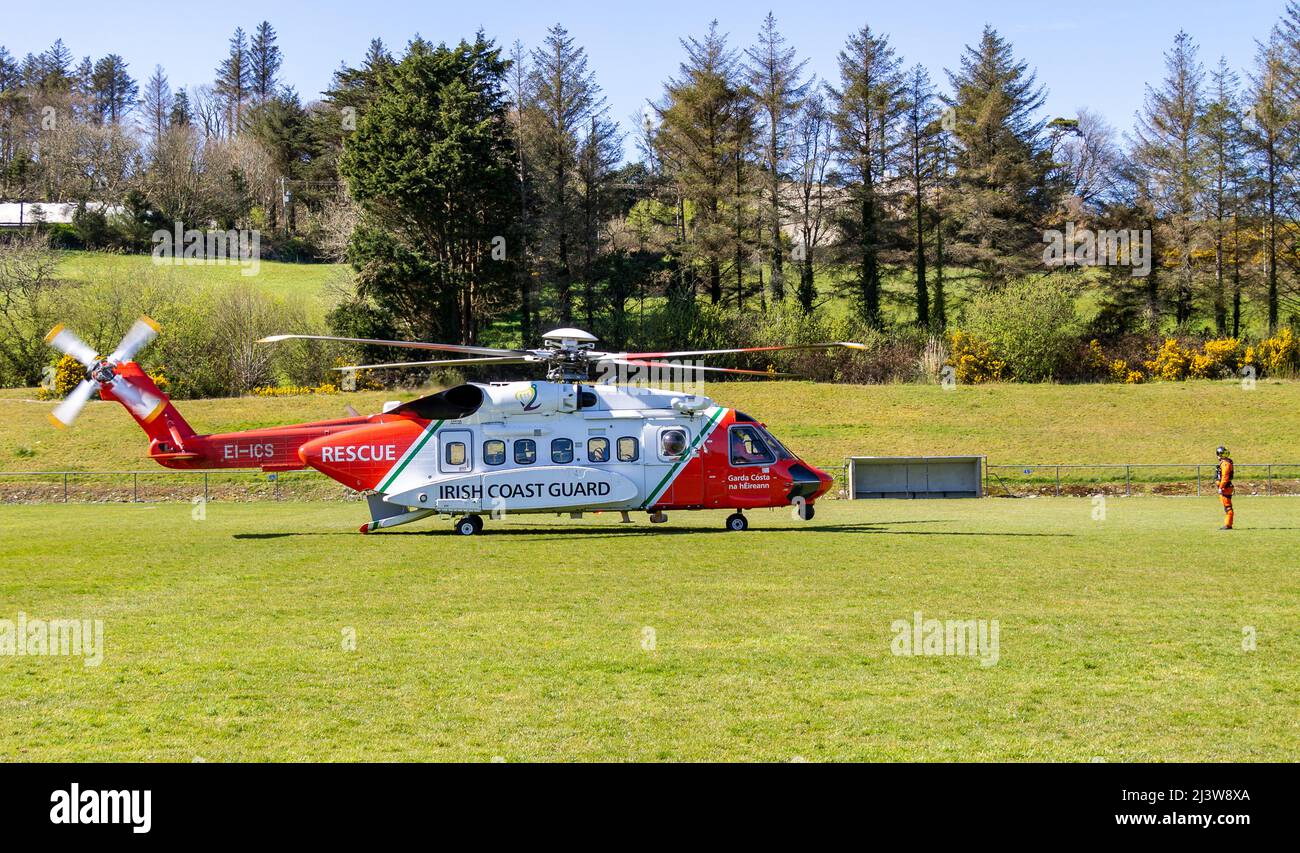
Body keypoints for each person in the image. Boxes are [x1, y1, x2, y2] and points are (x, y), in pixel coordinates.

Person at [1214, 446, 1234, 530]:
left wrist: (1221, 487)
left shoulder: (1225, 463)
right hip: (1225, 487)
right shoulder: (1224, 462)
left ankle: (1228, 524)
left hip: (1225, 487)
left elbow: (1225, 477)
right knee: (1226, 505)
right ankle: (1228, 524)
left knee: (1227, 506)